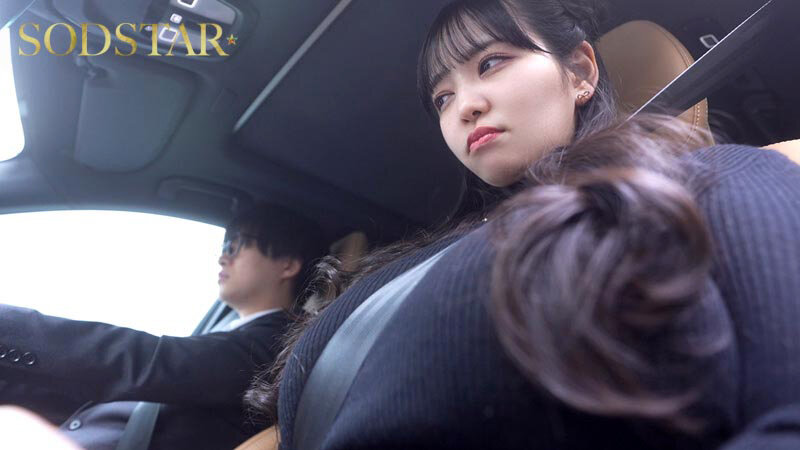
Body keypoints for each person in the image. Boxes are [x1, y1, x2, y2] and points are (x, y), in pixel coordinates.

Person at [244, 1, 800, 449]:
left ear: (580, 72)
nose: (463, 107)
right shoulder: (418, 260)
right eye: (442, 97)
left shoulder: (701, 183)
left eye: (490, 63)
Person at [0, 203, 326, 450]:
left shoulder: (275, 342)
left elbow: (150, 363)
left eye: (237, 245)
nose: (223, 257)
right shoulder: (233, 333)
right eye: (224, 246)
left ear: (287, 265)